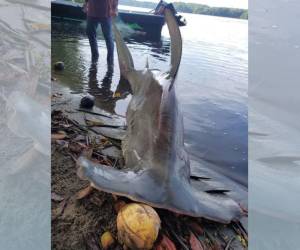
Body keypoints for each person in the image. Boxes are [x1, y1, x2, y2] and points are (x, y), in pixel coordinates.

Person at [83, 0, 118, 65]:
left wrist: (115, 8)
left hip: (106, 12)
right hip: (92, 11)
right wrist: (85, 3)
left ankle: (110, 60)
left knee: (107, 36)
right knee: (89, 32)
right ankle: (95, 56)